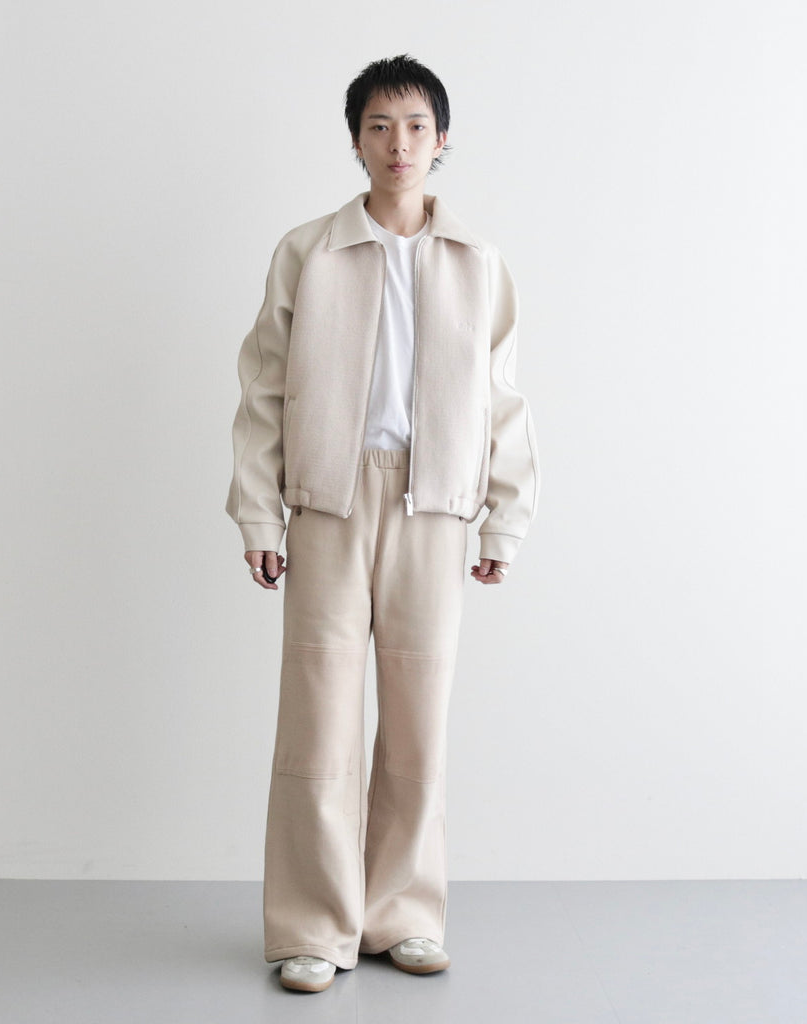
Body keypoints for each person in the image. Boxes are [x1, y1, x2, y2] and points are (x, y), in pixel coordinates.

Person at [226, 54, 539, 993]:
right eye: (378, 125)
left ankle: (402, 913)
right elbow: (263, 388)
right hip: (327, 501)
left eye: (415, 126)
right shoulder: (309, 252)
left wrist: (504, 521)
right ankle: (311, 926)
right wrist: (259, 511)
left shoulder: (478, 262)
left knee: (417, 724)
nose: (397, 143)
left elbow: (502, 397)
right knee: (317, 721)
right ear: (355, 140)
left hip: (434, 505)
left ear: (441, 142)